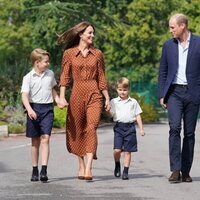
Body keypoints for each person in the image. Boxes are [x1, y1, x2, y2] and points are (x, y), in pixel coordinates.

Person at [57, 21, 110, 181]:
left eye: (93, 33)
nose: (92, 35)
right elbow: (65, 77)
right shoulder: (69, 54)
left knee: (91, 128)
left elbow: (101, 77)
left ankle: (88, 168)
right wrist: (61, 97)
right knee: (77, 129)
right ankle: (80, 164)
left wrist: (107, 97)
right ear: (80, 34)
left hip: (94, 94)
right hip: (76, 94)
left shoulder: (98, 54)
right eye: (89, 33)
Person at [158, 13, 200, 183]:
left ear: (182, 26)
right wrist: (162, 94)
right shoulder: (168, 45)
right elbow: (163, 71)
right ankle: (175, 170)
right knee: (174, 128)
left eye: (172, 27)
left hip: (193, 93)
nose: (170, 30)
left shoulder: (198, 43)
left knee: (189, 133)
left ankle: (186, 170)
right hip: (174, 92)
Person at [21, 48, 60, 182]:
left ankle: (44, 170)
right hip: (33, 108)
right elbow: (24, 96)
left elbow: (53, 90)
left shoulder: (50, 74)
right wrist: (30, 110)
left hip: (48, 109)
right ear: (37, 62)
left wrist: (58, 100)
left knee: (45, 138)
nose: (48, 64)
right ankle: (34, 169)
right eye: (46, 62)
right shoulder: (28, 77)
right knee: (35, 142)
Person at [108, 77, 145, 180]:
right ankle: (117, 163)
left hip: (130, 128)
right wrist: (107, 110)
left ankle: (125, 171)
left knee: (128, 151)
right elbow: (111, 114)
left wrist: (141, 128)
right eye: (120, 90)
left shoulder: (133, 102)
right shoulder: (114, 101)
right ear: (117, 89)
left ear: (128, 90)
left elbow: (137, 115)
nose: (122, 92)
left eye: (125, 90)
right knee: (117, 150)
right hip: (119, 127)